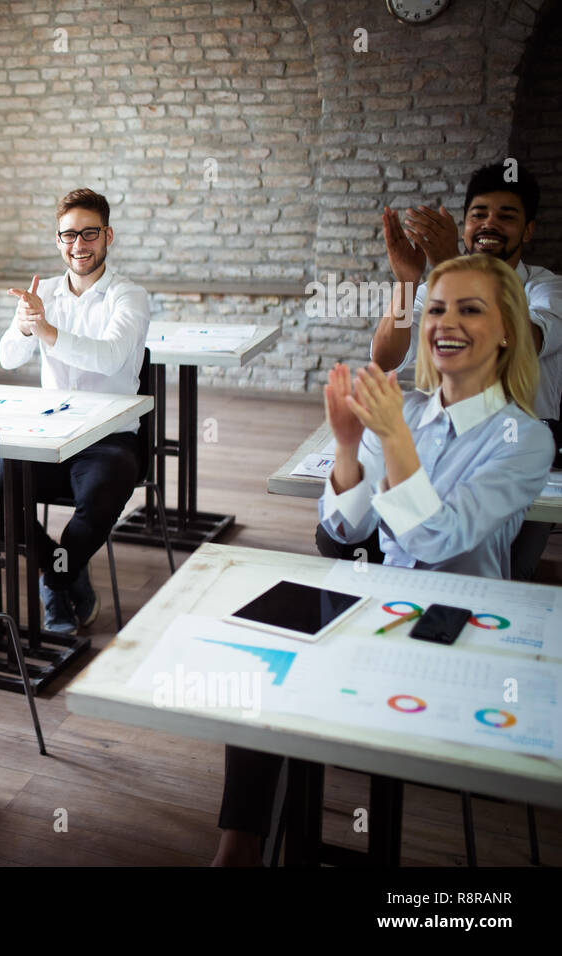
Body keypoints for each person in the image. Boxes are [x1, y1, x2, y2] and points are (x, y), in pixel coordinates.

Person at [215, 254, 554, 866]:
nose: (446, 322)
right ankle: (240, 848)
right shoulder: (410, 411)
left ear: (508, 328)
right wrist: (348, 447)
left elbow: (436, 540)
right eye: (437, 308)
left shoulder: (524, 437)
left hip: (464, 629)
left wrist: (392, 435)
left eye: (470, 309)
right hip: (381, 602)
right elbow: (346, 527)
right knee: (268, 659)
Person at [362, 162, 562, 579]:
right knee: (352, 536)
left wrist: (451, 262)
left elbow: (527, 340)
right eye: (479, 214)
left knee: (507, 570)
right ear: (465, 225)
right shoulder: (440, 285)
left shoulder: (546, 288)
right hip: (439, 445)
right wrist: (406, 281)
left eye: (506, 216)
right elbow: (385, 358)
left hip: (516, 454)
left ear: (528, 231)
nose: (490, 223)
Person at [0, 187, 152, 634]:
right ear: (57, 240)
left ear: (108, 236)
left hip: (110, 435)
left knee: (103, 493)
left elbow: (108, 358)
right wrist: (27, 327)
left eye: (88, 234)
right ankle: (59, 568)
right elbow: (8, 358)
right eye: (68, 236)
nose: (78, 246)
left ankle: (56, 580)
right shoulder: (41, 292)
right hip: (51, 433)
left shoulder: (129, 296)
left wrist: (44, 330)